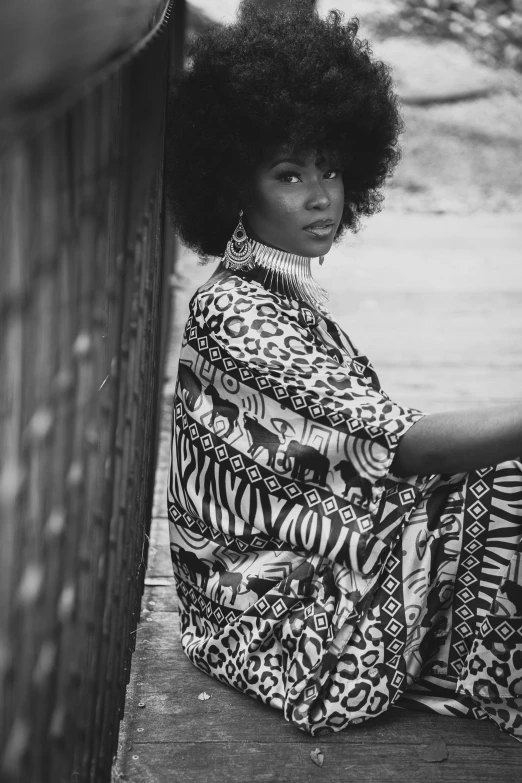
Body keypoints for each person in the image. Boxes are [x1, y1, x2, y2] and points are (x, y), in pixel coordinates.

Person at [165, 0, 522, 739]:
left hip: (297, 574)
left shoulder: (278, 291)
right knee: (505, 485)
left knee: (495, 482)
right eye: (290, 174)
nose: (322, 195)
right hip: (273, 624)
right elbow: (398, 446)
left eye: (329, 168)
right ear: (234, 182)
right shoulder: (234, 313)